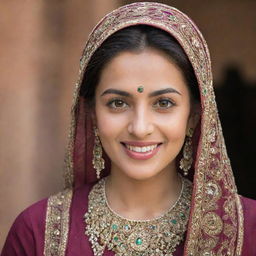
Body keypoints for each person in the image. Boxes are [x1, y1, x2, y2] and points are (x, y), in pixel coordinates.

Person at [1, 2, 256, 256]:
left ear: (194, 115)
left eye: (164, 103)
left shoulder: (247, 230)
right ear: (91, 113)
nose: (140, 127)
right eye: (118, 103)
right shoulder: (36, 232)